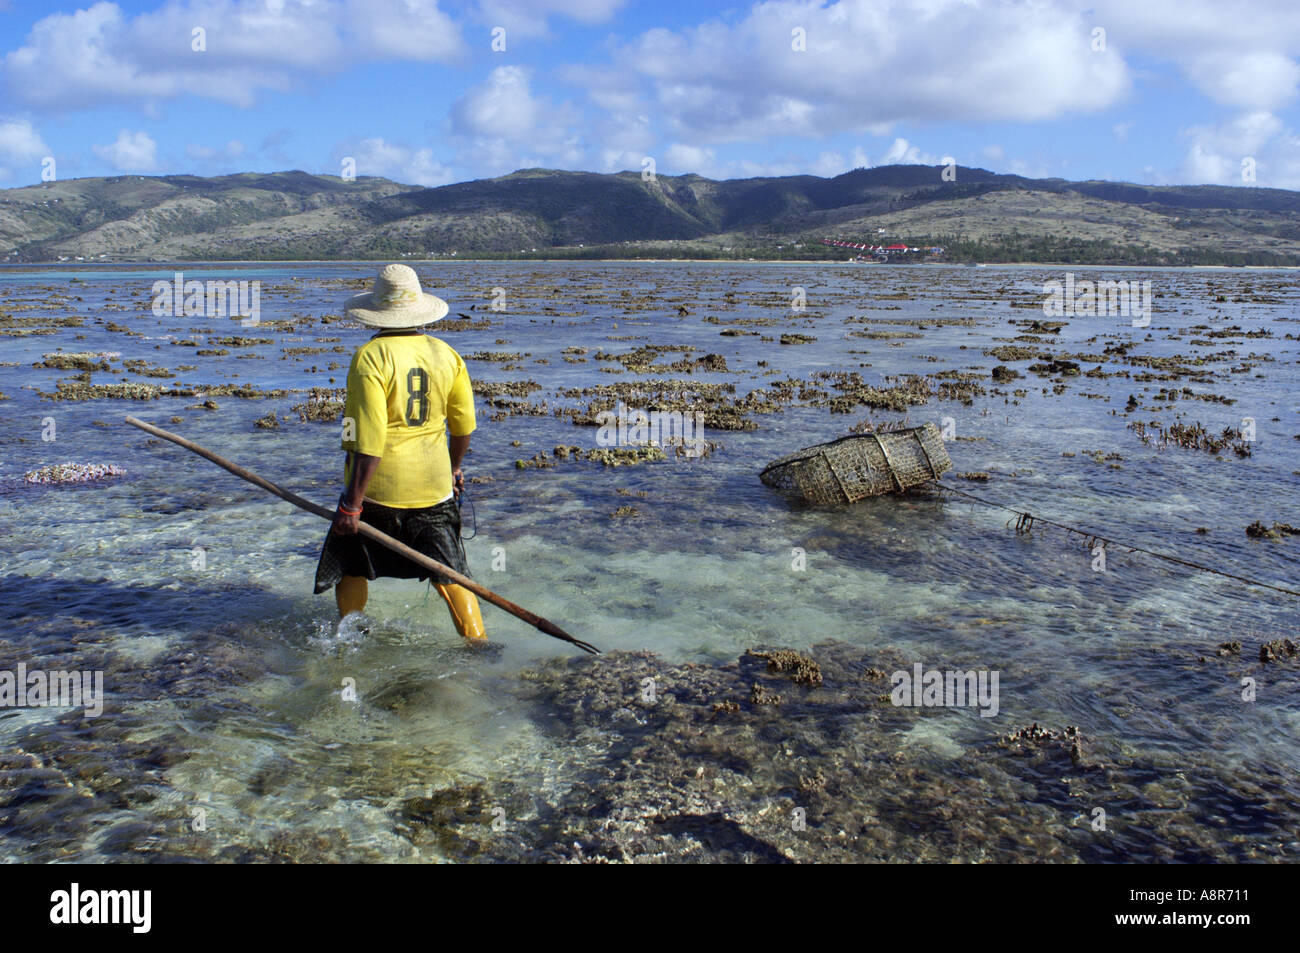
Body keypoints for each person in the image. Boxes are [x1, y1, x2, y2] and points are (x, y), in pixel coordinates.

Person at [312, 263, 485, 642]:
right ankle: (478, 645)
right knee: (451, 575)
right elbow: (463, 427)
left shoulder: (370, 358)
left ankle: (351, 643)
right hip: (434, 490)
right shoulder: (447, 354)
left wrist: (352, 505)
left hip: (377, 493)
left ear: (377, 311)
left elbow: (367, 439)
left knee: (352, 567)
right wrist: (453, 470)